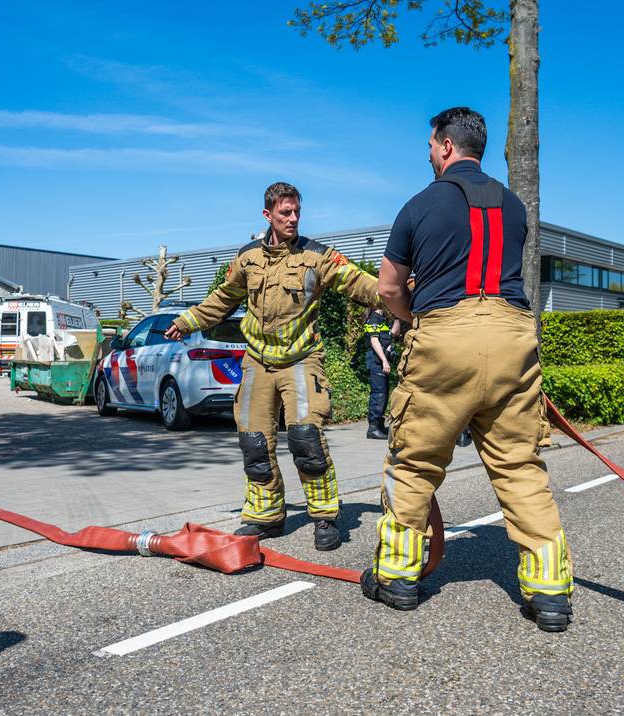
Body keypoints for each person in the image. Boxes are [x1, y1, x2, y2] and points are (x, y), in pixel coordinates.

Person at [360, 107, 574, 631]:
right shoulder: (515, 205)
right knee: (520, 468)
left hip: (444, 338)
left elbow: (389, 288)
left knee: (414, 465)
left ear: (448, 146)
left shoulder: (419, 203)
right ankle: (550, 593)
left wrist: (414, 322)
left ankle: (398, 578)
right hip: (511, 337)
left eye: (432, 146)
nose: (430, 154)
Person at [165, 182, 382, 551]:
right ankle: (266, 516)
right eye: (285, 213)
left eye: (297, 211)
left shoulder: (318, 257)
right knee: (253, 441)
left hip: (301, 358)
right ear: (268, 215)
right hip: (258, 361)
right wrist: (187, 321)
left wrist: (403, 294)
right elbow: (222, 299)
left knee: (306, 438)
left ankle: (325, 517)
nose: (293, 218)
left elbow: (360, 285)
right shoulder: (248, 258)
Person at [363, 308, 393, 439]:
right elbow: (374, 341)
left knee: (384, 393)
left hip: (382, 361)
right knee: (378, 394)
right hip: (377, 361)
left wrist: (396, 318)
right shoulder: (374, 318)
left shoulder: (382, 318)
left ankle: (380, 425)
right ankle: (373, 428)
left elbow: (395, 333)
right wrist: (384, 360)